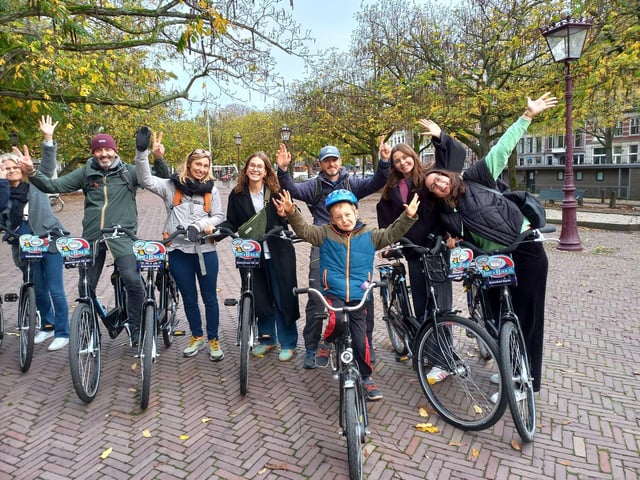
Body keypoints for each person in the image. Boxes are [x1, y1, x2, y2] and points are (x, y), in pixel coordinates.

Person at [423, 92, 558, 393]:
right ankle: (512, 366)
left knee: (527, 318)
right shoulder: (447, 213)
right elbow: (458, 240)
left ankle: (526, 381)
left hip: (524, 248)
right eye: (433, 186)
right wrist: (453, 243)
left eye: (440, 179)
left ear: (448, 176)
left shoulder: (477, 178)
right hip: (491, 262)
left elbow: (502, 149)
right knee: (498, 318)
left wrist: (527, 116)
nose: (440, 184)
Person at [20, 125, 170, 347]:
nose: (104, 154)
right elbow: (54, 185)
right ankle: (90, 328)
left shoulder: (129, 171)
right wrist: (32, 173)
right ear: (93, 153)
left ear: (115, 151)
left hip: (123, 236)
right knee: (85, 286)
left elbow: (160, 181)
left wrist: (158, 159)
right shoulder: (86, 172)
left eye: (108, 150)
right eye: (99, 151)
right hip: (93, 237)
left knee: (131, 279)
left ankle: (137, 326)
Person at [276, 189, 420, 401]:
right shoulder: (324, 233)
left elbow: (391, 234)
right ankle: (326, 342)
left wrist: (407, 217)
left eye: (348, 215)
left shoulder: (369, 234)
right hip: (334, 291)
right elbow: (304, 231)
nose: (344, 220)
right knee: (337, 322)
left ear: (356, 212)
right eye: (338, 217)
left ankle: (366, 377)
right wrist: (291, 212)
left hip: (359, 293)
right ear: (331, 219)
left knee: (361, 341)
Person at [276, 142, 391, 369]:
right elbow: (293, 189)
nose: (331, 164)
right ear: (320, 164)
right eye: (327, 160)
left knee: (362, 294)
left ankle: (365, 343)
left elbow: (377, 181)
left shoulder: (352, 182)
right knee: (317, 295)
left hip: (353, 241)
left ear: (339, 161)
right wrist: (283, 170)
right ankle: (312, 346)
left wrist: (384, 162)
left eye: (335, 159)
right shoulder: (314, 186)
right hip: (324, 242)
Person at [376, 121, 466, 357]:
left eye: (405, 158)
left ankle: (445, 352)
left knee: (440, 303)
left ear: (413, 157)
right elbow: (385, 216)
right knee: (421, 300)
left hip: (435, 246)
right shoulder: (392, 187)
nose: (402, 163)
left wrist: (440, 138)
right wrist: (390, 243)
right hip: (413, 249)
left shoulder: (429, 176)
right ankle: (426, 350)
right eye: (397, 161)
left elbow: (453, 163)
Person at [134, 128, 225, 360]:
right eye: (198, 164)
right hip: (178, 251)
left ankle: (213, 339)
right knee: (189, 297)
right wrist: (143, 152)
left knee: (210, 298)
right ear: (189, 164)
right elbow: (145, 180)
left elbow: (219, 216)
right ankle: (197, 335)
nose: (201, 169)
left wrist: (203, 224)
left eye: (205, 166)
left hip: (205, 251)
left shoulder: (212, 189)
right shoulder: (171, 186)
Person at [220, 152, 299, 362]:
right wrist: (215, 232)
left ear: (266, 171)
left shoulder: (277, 191)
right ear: (246, 169)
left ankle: (289, 342)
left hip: (278, 252)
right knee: (260, 297)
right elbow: (231, 222)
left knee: (283, 297)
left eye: (260, 166)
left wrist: (287, 213)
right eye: (252, 166)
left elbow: (293, 211)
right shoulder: (237, 195)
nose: (255, 169)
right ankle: (267, 339)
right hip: (250, 254)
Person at [0, 116, 70, 351]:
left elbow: (48, 166)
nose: (11, 171)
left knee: (55, 288)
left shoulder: (36, 183)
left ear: (21, 167)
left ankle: (63, 332)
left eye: (14, 166)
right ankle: (47, 325)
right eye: (6, 168)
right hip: (23, 243)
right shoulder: (3, 193)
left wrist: (48, 138)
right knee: (37, 287)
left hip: (48, 239)